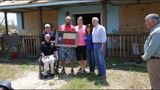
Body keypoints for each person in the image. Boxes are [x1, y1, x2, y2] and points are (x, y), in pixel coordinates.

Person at [141, 13, 160, 89]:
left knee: (155, 84)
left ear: (150, 21)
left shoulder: (157, 31)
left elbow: (152, 47)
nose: (145, 24)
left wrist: (145, 57)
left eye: (146, 21)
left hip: (155, 61)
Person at [92, 17, 108, 85]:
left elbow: (104, 38)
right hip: (95, 45)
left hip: (100, 45)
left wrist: (102, 46)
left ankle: (104, 75)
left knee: (101, 61)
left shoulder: (101, 28)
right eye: (92, 21)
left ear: (97, 21)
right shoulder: (93, 28)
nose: (93, 22)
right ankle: (99, 73)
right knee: (97, 60)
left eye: (94, 21)